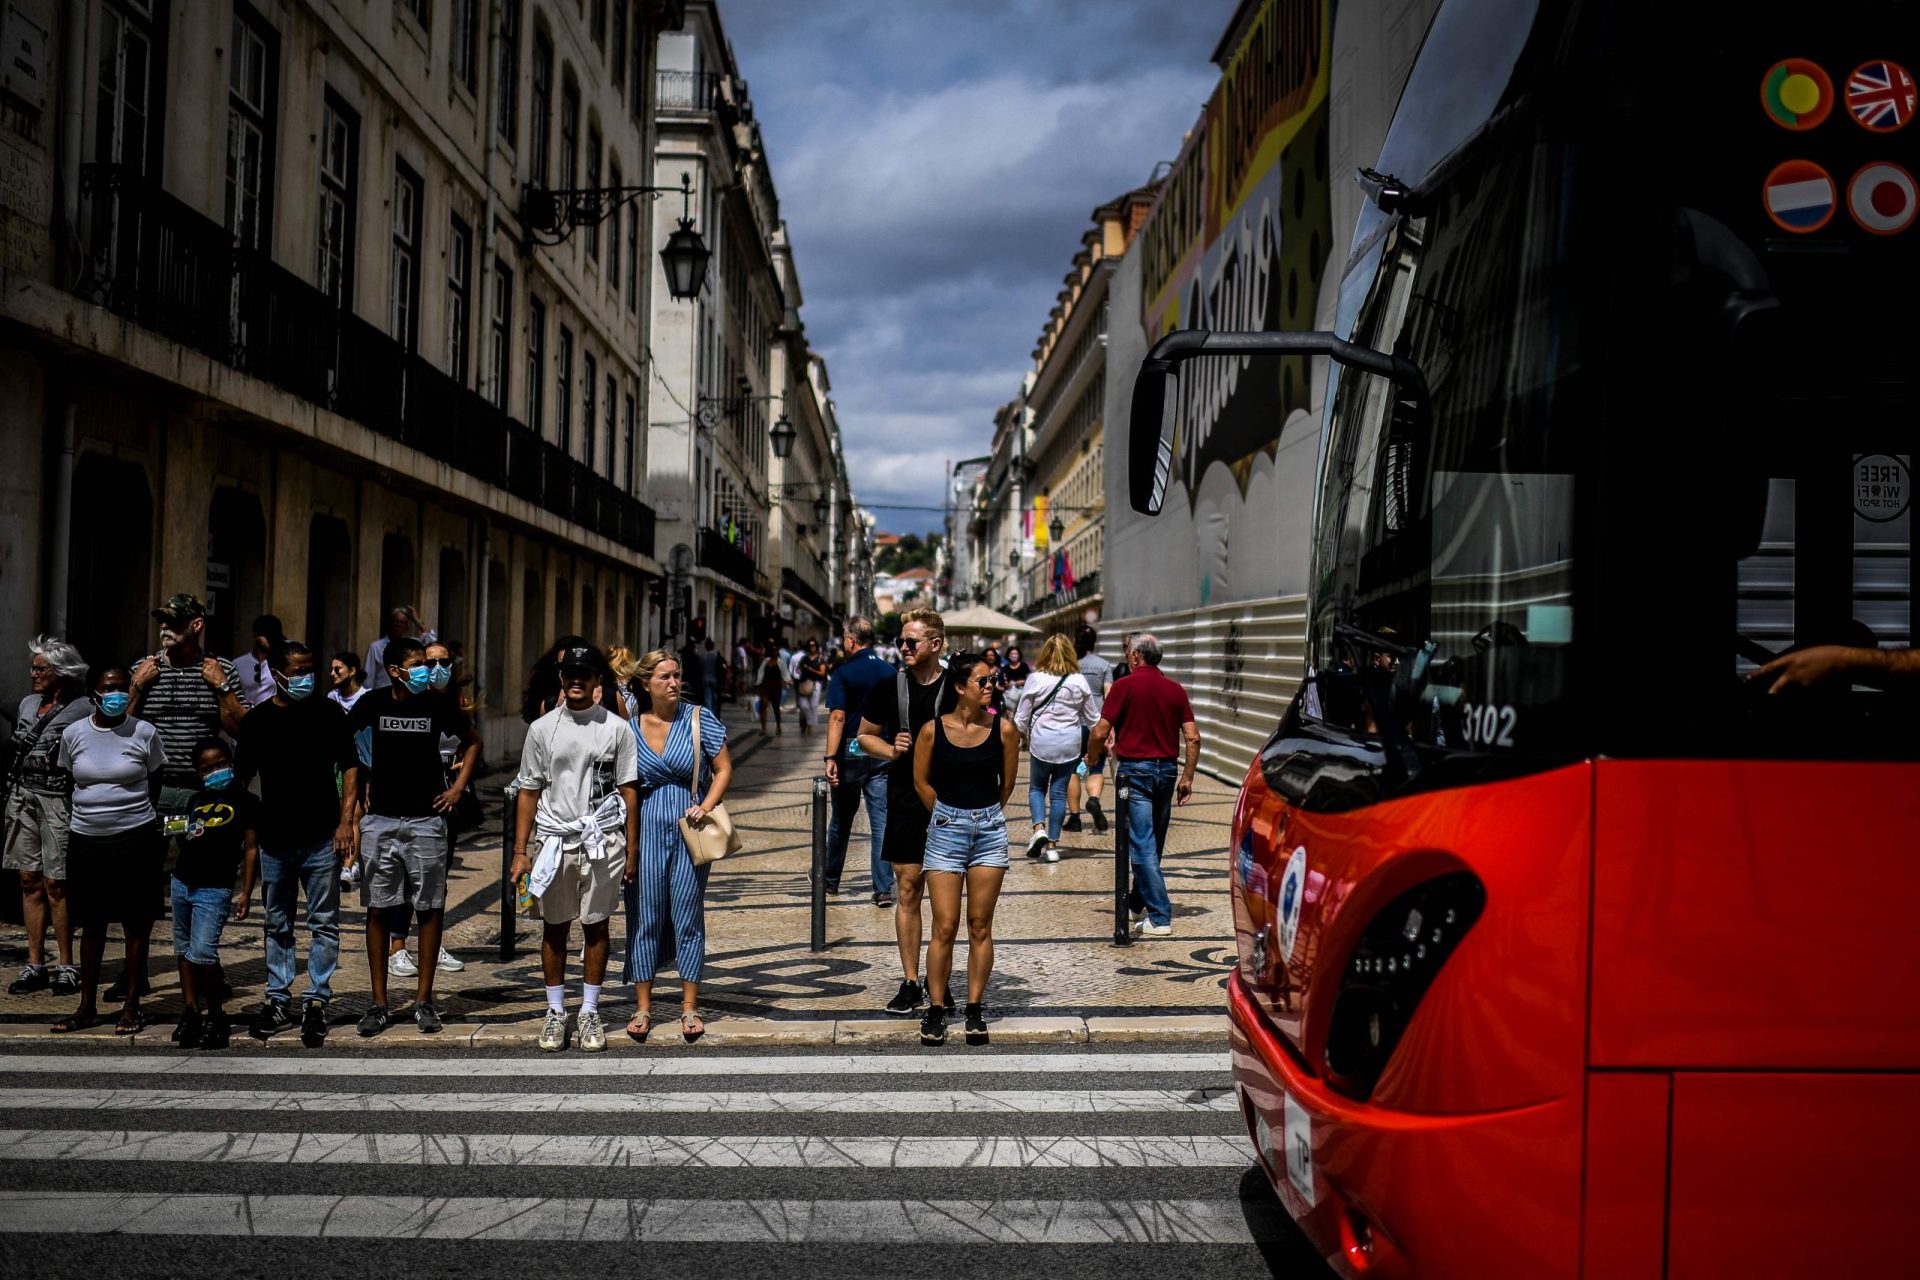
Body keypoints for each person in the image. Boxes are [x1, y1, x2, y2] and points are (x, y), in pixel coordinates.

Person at [346, 636, 481, 1036]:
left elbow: (473, 742)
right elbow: (347, 747)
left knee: (429, 907)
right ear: (395, 670)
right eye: (418, 663)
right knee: (378, 908)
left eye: (427, 662)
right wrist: (357, 794)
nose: (426, 670)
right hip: (380, 820)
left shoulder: (438, 704)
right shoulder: (373, 703)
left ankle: (424, 1000)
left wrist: (457, 789)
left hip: (426, 820)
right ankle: (378, 1002)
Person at [510, 645, 641, 1054]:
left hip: (602, 840)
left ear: (598, 680)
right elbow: (529, 790)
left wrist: (632, 848)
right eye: (570, 674)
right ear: (562, 680)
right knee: (555, 926)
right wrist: (520, 850)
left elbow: (629, 790)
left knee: (597, 925)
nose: (577, 680)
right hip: (555, 841)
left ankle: (588, 1010)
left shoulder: (617, 729)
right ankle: (554, 1011)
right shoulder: (542, 729)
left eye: (585, 673)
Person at [234, 640, 358, 1045]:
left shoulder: (328, 713)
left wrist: (346, 822)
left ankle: (317, 1000)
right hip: (275, 841)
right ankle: (276, 998)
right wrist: (248, 832)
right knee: (278, 923)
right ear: (277, 672)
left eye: (310, 669)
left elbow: (351, 767)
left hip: (322, 837)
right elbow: (241, 781)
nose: (306, 677)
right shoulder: (258, 722)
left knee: (324, 923)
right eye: (298, 670)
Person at [623, 649, 733, 1042]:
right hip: (646, 825)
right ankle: (643, 1007)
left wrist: (705, 805)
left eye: (676, 676)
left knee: (688, 916)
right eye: (664, 677)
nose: (673, 683)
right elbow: (627, 786)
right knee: (645, 916)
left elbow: (724, 768)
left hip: (691, 827)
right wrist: (629, 845)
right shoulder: (630, 727)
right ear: (645, 683)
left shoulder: (699, 718)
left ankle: (689, 1008)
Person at [50, 666, 165, 1034]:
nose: (115, 695)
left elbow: (155, 779)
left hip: (135, 838)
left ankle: (132, 1005)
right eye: (108, 688)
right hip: (87, 840)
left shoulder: (143, 732)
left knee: (135, 922)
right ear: (93, 694)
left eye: (121, 688)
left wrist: (129, 814)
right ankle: (87, 1007)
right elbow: (71, 781)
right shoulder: (74, 734)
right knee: (92, 923)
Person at [914, 651, 1019, 1047]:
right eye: (982, 681)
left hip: (989, 829)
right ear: (960, 688)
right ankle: (936, 1007)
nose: (990, 685)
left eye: (992, 679)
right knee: (944, 925)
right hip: (945, 830)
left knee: (980, 924)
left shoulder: (1004, 730)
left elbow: (1006, 784)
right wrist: (946, 815)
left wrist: (983, 815)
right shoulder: (932, 731)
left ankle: (975, 1009)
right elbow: (921, 781)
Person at [856, 607, 952, 1015]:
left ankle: (939, 984)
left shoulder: (958, 685)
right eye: (901, 642)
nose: (904, 648)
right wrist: (889, 748)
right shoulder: (887, 685)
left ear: (935, 644)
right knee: (908, 889)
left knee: (946, 903)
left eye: (911, 642)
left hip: (951, 802)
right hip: (905, 800)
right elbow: (864, 737)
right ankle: (911, 981)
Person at [1084, 634, 1200, 937]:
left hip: (1135, 772)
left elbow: (1100, 731)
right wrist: (1187, 777)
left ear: (1136, 657)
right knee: (1154, 842)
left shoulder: (1124, 686)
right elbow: (1193, 737)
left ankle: (1161, 916)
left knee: (1142, 844)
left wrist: (1091, 757)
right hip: (1167, 772)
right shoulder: (1175, 690)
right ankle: (1136, 902)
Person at [5, 636, 91, 996]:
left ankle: (67, 965)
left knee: (58, 883)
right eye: (33, 668)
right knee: (29, 880)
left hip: (58, 801)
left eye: (41, 669)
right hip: (23, 798)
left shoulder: (83, 707)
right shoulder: (27, 704)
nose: (34, 674)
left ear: (62, 672)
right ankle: (35, 963)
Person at [384, 639, 471, 980]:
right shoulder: (398, 699)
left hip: (442, 802)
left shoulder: (452, 702)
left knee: (435, 879)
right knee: (403, 877)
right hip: (404, 802)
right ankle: (397, 946)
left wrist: (458, 784)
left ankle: (430, 945)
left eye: (442, 662)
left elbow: (471, 742)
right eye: (426, 662)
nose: (434, 670)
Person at [170, 738, 258, 1050]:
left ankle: (216, 1015)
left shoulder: (246, 801)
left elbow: (250, 849)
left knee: (203, 954)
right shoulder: (195, 799)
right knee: (183, 950)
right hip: (183, 881)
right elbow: (184, 839)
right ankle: (191, 1011)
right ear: (198, 772)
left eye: (220, 764)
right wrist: (183, 833)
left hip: (215, 887)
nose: (215, 771)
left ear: (230, 762)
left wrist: (246, 892)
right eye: (207, 768)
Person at [129, 594, 247, 822]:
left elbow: (239, 730)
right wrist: (136, 685)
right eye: (162, 621)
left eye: (173, 621)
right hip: (153, 789)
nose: (164, 627)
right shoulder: (144, 668)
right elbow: (120, 726)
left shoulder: (221, 669)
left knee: (200, 856)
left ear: (197, 625)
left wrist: (222, 686)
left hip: (203, 789)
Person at [822, 618, 897, 906]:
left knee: (841, 820)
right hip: (880, 751)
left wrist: (830, 757)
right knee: (881, 821)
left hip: (851, 751)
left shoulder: (843, 672)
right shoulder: (890, 671)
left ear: (852, 640)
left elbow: (838, 717)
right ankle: (883, 888)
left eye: (844, 638)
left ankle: (830, 881)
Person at [1013, 634, 1098, 863]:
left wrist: (1018, 735)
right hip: (1069, 743)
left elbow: (1021, 717)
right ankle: (1052, 846)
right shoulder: (1079, 680)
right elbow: (1093, 718)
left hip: (1042, 741)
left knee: (1037, 788)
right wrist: (1100, 742)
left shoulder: (1035, 678)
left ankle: (1039, 829)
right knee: (1059, 794)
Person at [1065, 623, 1113, 834]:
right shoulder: (1104, 665)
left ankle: (1074, 818)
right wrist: (1110, 727)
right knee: (1096, 766)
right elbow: (1109, 697)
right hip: (1097, 723)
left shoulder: (1069, 665)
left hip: (1073, 723)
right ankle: (1093, 799)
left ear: (1075, 641)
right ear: (1094, 642)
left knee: (1072, 769)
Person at [361, 606, 434, 691]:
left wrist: (416, 620)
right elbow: (369, 678)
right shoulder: (375, 647)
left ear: (407, 627)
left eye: (402, 622)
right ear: (390, 624)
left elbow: (431, 640)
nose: (398, 625)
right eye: (396, 621)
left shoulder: (411, 645)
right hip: (383, 696)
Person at [236, 615, 284, 708]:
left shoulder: (281, 662)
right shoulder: (238, 664)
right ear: (256, 635)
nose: (271, 640)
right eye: (267, 636)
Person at [793, 639, 828, 739]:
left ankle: (809, 726)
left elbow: (822, 673)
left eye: (813, 645)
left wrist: (811, 670)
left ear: (816, 646)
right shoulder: (804, 658)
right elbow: (798, 669)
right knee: (803, 706)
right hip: (804, 683)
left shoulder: (820, 659)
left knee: (813, 706)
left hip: (816, 684)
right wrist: (800, 670)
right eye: (809, 645)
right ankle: (805, 722)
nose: (811, 647)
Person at [754, 645, 787, 736]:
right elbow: (760, 672)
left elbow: (785, 673)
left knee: (776, 707)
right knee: (763, 704)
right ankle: (763, 728)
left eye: (776, 650)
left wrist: (786, 681)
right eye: (773, 650)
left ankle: (778, 726)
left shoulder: (781, 662)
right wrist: (758, 682)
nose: (774, 652)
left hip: (776, 687)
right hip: (765, 686)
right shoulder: (765, 661)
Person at [698, 640, 723, 717]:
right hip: (714, 679)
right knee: (715, 699)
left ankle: (709, 716)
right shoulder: (716, 656)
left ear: (706, 647)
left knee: (707, 699)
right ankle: (714, 716)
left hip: (705, 679)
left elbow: (700, 669)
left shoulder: (702, 657)